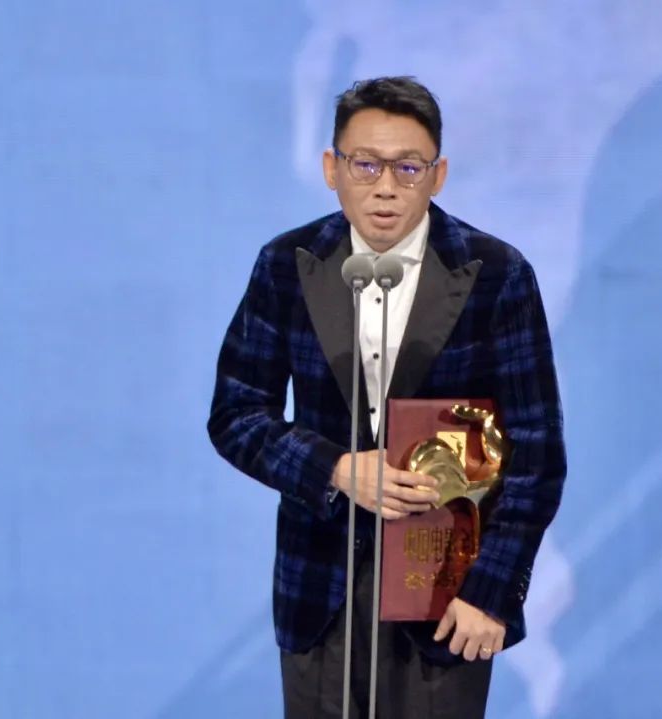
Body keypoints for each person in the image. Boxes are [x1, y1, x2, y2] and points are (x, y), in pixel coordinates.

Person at [208, 76, 566, 719]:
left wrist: (490, 592)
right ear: (332, 168)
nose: (386, 187)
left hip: (447, 595)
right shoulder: (286, 264)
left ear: (438, 175)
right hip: (321, 589)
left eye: (408, 167)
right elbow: (236, 414)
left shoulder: (496, 274)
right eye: (366, 164)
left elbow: (536, 453)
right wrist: (336, 469)